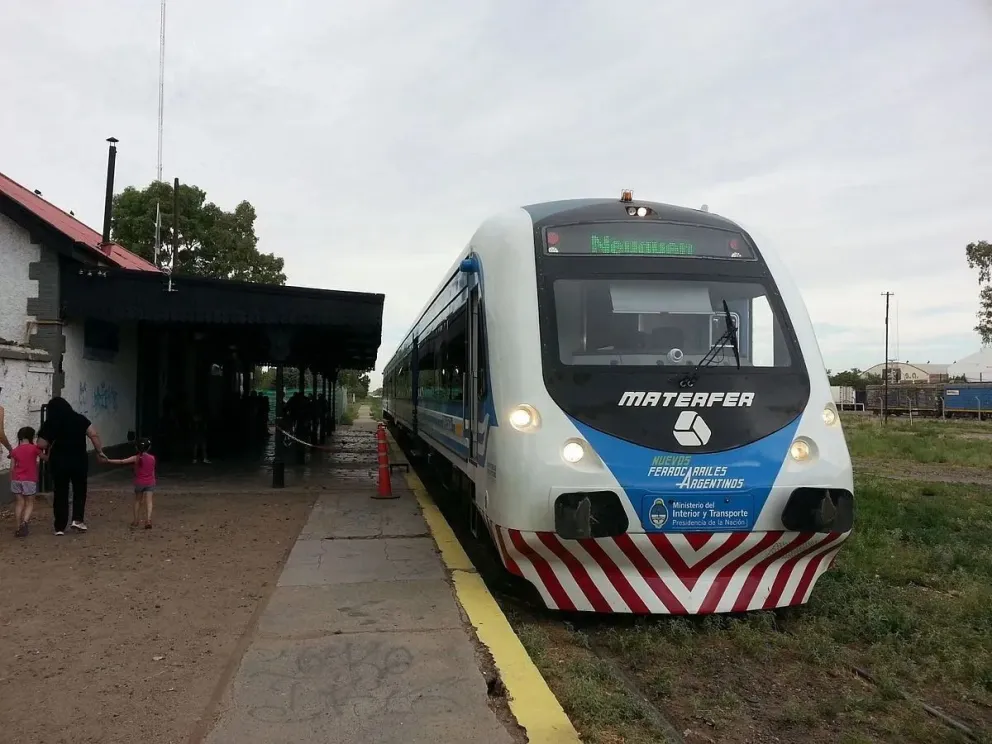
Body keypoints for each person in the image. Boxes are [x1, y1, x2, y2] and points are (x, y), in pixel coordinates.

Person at [36, 396, 105, 536]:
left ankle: (60, 526)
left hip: (59, 462)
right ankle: (78, 520)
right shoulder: (80, 419)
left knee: (60, 491)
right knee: (80, 489)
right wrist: (99, 451)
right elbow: (94, 434)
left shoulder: (51, 423)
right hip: (79, 460)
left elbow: (40, 444)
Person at [102, 437, 156, 530]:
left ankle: (136, 521)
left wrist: (108, 460)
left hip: (139, 483)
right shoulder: (152, 458)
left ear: (136, 448)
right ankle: (148, 520)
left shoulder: (136, 458)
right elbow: (152, 471)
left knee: (137, 501)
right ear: (149, 447)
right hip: (150, 482)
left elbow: (122, 461)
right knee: (149, 501)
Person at [9, 426, 46, 537]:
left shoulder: (15, 451)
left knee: (19, 503)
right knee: (29, 503)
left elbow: (11, 468)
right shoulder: (34, 448)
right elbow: (45, 458)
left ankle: (18, 526)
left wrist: (12, 478)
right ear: (31, 436)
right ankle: (25, 522)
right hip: (29, 479)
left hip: (16, 479)